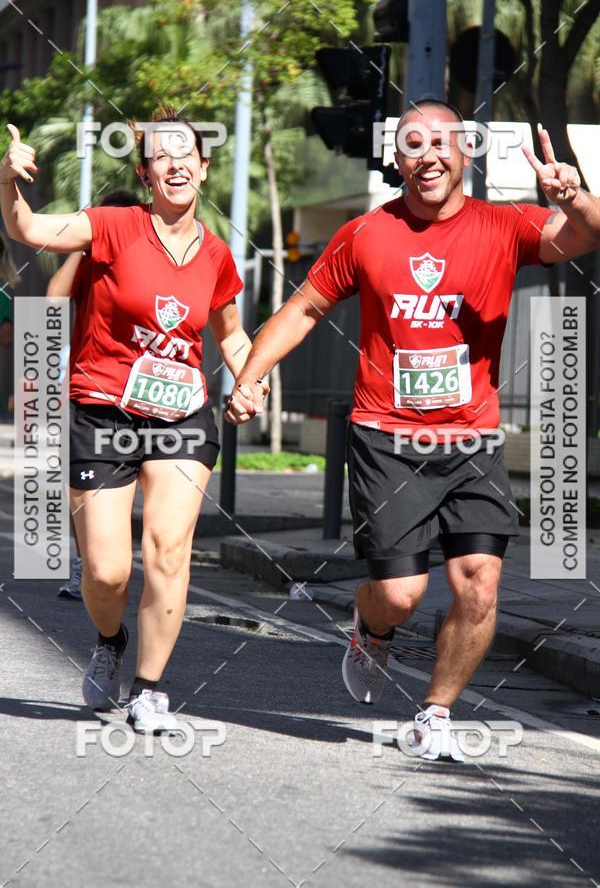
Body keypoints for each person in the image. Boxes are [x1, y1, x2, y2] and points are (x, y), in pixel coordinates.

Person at [226, 100, 600, 760]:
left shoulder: (504, 225)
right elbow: (306, 307)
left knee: (480, 581)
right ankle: (372, 630)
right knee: (400, 594)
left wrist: (575, 198)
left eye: (439, 143)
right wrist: (252, 373)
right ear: (397, 161)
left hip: (471, 438)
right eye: (411, 145)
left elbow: (587, 237)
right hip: (386, 436)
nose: (426, 155)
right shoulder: (366, 233)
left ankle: (435, 712)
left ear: (465, 153)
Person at [1, 105, 267, 733]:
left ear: (204, 168)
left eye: (187, 155)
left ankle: (149, 690)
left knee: (170, 550)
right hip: (101, 413)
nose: (176, 165)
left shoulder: (218, 256)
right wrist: (7, 179)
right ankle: (109, 639)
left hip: (181, 418)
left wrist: (252, 380)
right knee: (106, 571)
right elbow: (27, 227)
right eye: (161, 157)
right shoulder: (111, 227)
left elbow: (230, 337)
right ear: (148, 173)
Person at [48, 189, 140, 601]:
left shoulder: (145, 258)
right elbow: (52, 299)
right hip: (91, 395)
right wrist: (84, 247)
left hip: (146, 399)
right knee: (81, 490)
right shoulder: (90, 261)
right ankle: (84, 562)